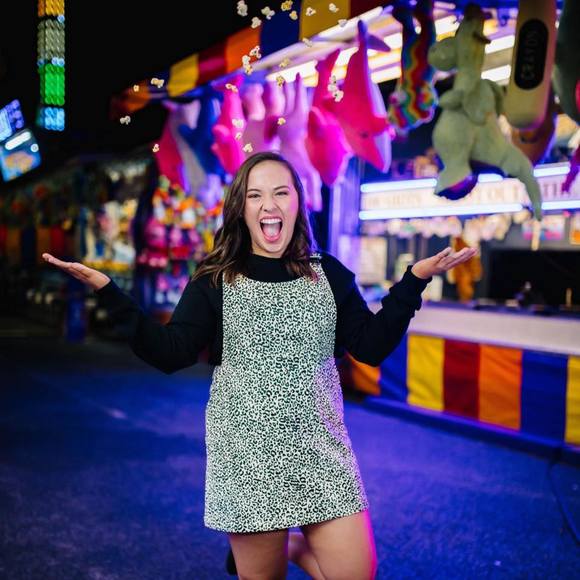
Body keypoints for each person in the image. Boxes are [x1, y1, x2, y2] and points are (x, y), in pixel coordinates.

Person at [44, 151, 476, 579]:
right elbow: (170, 351)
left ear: (298, 203)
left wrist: (414, 280)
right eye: (255, 195)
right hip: (247, 460)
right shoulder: (216, 278)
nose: (269, 204)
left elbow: (371, 347)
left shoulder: (328, 274)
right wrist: (109, 292)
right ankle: (280, 549)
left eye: (281, 192)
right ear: (242, 208)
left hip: (321, 453)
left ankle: (291, 546)